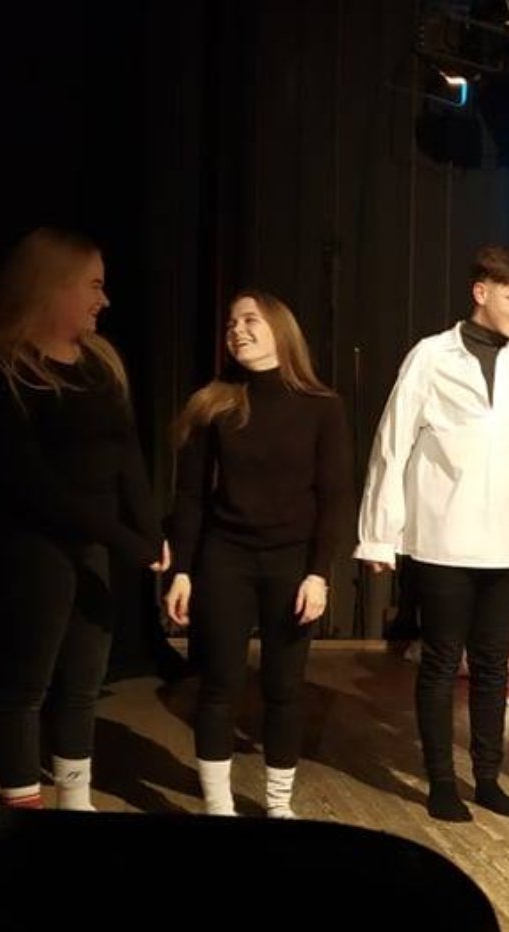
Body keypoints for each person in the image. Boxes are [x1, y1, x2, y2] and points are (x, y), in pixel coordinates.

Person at [355, 246, 509, 823]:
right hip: (444, 535)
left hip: (507, 539)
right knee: (443, 659)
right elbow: (392, 443)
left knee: (494, 664)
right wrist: (379, 534)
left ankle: (488, 777)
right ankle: (442, 782)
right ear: (482, 291)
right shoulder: (431, 356)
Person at [0, 227, 167, 810]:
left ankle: (75, 807)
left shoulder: (101, 362)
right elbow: (34, 483)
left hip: (96, 546)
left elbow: (127, 453)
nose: (104, 300)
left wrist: (150, 532)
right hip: (36, 547)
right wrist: (124, 538)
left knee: (84, 680)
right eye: (94, 285)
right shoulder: (6, 366)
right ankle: (25, 816)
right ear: (53, 286)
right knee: (27, 683)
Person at [163, 292, 351, 818]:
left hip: (292, 562)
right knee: (218, 684)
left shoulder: (322, 406)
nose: (237, 330)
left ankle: (277, 806)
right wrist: (182, 571)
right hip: (226, 558)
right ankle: (219, 808)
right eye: (231, 323)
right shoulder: (214, 403)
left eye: (250, 320)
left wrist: (318, 574)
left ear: (281, 331)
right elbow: (191, 496)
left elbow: (335, 496)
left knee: (284, 687)